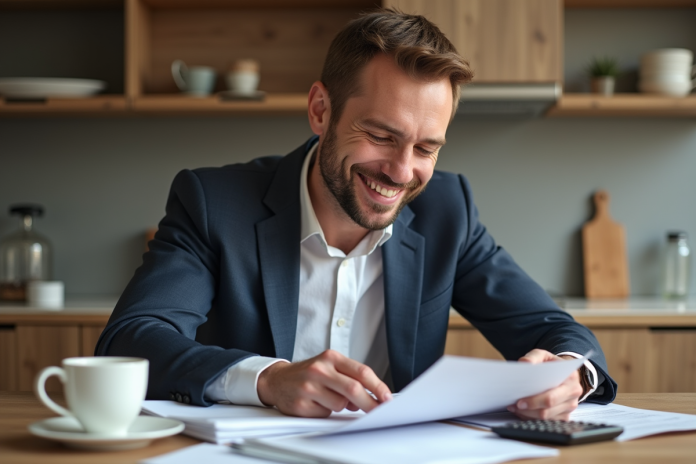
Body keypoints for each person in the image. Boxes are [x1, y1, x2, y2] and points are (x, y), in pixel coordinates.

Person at [97, 9, 615, 421]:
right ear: (321, 110)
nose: (401, 171)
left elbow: (553, 329)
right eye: (381, 136)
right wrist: (269, 379)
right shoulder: (214, 202)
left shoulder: (447, 211)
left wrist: (570, 373)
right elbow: (132, 338)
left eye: (426, 148)